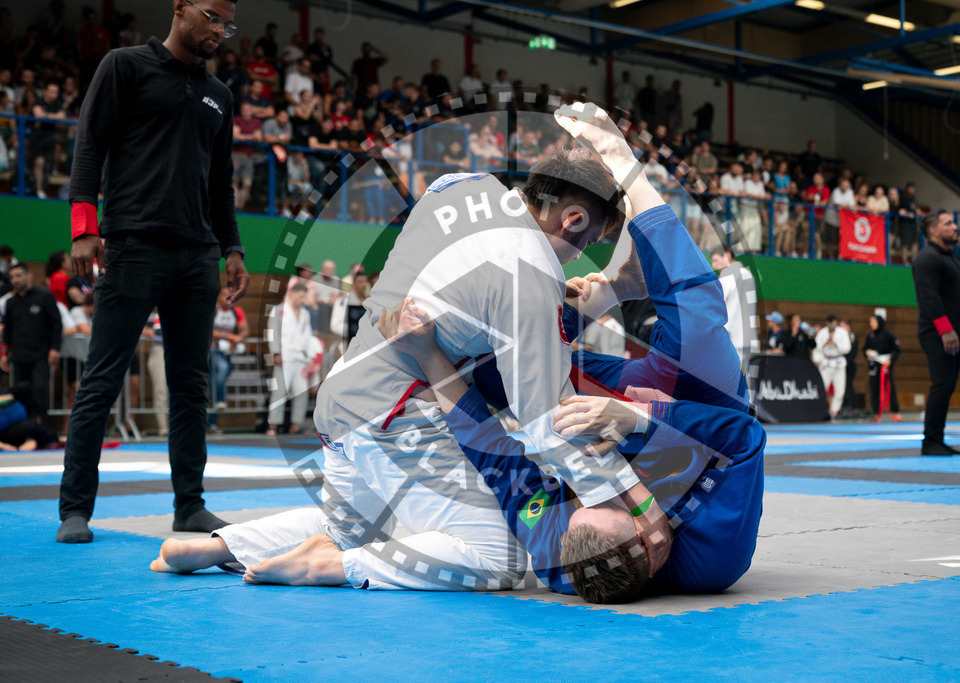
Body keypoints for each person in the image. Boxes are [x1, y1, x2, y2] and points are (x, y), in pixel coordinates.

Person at [150, 102, 751, 600]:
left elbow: (479, 311)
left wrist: (595, 300)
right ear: (571, 220)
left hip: (342, 408)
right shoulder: (533, 278)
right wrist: (630, 500)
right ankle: (332, 566)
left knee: (378, 522)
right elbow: (544, 424)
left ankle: (224, 545)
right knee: (499, 555)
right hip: (397, 419)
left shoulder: (461, 189)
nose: (583, 257)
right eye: (589, 242)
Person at [58, 0, 250, 544]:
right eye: (211, 17)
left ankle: (190, 505)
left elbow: (221, 182)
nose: (219, 31)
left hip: (197, 255)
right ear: (180, 7)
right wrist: (83, 226)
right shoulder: (124, 66)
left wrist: (231, 249)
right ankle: (75, 508)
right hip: (133, 245)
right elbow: (90, 145)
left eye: (227, 23)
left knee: (191, 386)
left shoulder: (220, 95)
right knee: (102, 376)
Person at [912, 211, 960, 456]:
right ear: (933, 230)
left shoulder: (952, 260)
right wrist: (945, 330)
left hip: (955, 332)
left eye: (954, 222)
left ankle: (938, 439)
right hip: (936, 333)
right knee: (941, 384)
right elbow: (928, 297)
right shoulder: (926, 259)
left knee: (947, 386)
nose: (955, 227)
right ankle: (930, 441)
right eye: (948, 223)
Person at [0, 263, 62, 422]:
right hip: (19, 356)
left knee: (39, 389)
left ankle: (42, 426)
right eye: (12, 277)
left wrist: (55, 348)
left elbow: (56, 323)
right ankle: (25, 428)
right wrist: (4, 355)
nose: (15, 280)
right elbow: (7, 331)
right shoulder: (10, 303)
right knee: (21, 392)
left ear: (29, 276)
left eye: (19, 275)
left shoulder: (44, 297)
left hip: (40, 355)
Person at [267, 283, 319, 436]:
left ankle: (296, 425)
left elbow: (308, 336)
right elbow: (272, 332)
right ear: (292, 294)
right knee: (279, 392)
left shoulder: (305, 314)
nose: (303, 300)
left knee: (301, 392)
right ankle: (273, 425)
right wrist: (275, 352)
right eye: (301, 296)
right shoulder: (279, 310)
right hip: (284, 356)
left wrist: (311, 356)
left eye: (305, 297)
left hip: (300, 358)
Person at [208, 286, 249, 433]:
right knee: (220, 372)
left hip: (226, 351)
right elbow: (208, 329)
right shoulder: (213, 309)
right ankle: (219, 401)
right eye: (226, 296)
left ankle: (211, 422)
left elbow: (244, 329)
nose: (229, 300)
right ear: (218, 297)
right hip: (211, 351)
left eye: (231, 297)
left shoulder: (236, 311)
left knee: (217, 381)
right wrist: (230, 337)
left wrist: (238, 339)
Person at [710, 245, 757, 373]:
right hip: (746, 337)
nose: (714, 266)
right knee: (743, 379)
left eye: (716, 260)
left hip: (731, 338)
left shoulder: (728, 275)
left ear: (727, 255)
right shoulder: (748, 274)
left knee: (730, 379)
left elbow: (716, 305)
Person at [863, 314, 901, 423]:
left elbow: (897, 350)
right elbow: (864, 349)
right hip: (874, 364)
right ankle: (876, 413)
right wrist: (867, 352)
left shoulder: (889, 335)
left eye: (874, 322)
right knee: (874, 388)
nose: (872, 324)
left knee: (889, 388)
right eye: (871, 322)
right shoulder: (870, 336)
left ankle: (896, 411)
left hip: (885, 364)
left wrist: (891, 360)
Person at [812, 315, 851, 421]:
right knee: (821, 388)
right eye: (829, 323)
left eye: (833, 323)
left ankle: (834, 412)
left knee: (840, 391)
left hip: (839, 363)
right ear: (826, 323)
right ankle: (818, 410)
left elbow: (847, 348)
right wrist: (823, 345)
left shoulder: (842, 332)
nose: (831, 325)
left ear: (836, 322)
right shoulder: (822, 333)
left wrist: (836, 344)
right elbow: (816, 347)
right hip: (826, 363)